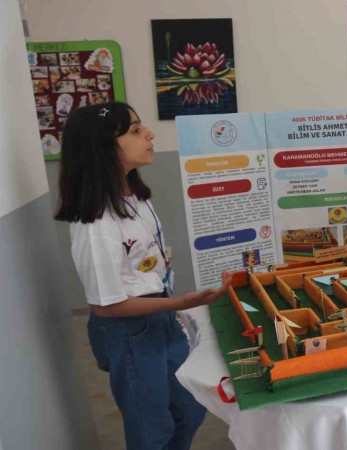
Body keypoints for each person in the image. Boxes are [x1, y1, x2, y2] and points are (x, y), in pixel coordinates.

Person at [54, 102, 232, 450]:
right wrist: (183, 302)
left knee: (190, 408)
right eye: (135, 130)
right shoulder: (96, 225)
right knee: (152, 428)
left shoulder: (134, 197)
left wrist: (174, 305)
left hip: (160, 315)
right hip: (128, 330)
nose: (150, 135)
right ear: (103, 147)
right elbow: (106, 306)